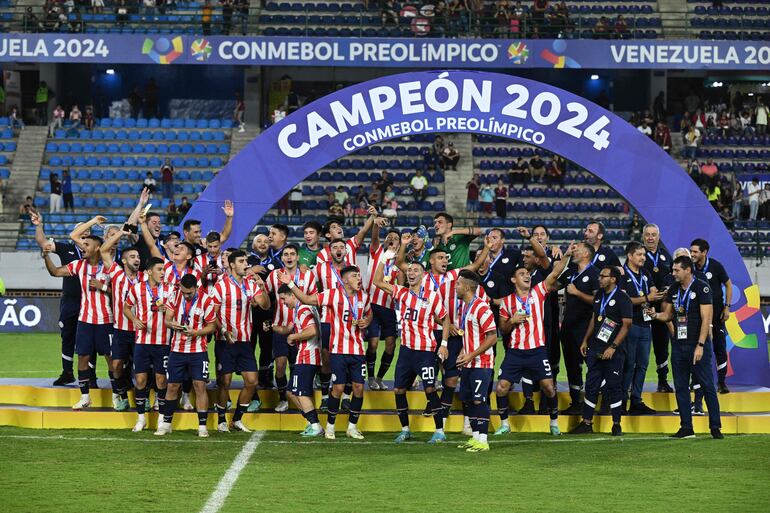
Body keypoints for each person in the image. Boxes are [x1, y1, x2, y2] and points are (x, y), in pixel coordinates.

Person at [281, 265, 372, 440]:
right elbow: (307, 299)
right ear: (345, 280)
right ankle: (330, 426)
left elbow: (369, 314)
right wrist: (291, 284)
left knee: (359, 388)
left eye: (359, 276)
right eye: (355, 276)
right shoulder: (333, 294)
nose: (359, 279)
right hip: (338, 350)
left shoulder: (364, 297)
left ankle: (352, 427)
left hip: (358, 350)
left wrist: (367, 321)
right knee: (337, 388)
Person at [495, 245, 573, 438]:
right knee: (501, 387)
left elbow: (555, 273)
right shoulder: (507, 303)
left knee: (548, 387)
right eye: (522, 273)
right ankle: (504, 424)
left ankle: (554, 423)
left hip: (537, 351)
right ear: (514, 280)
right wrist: (511, 321)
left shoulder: (538, 292)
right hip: (515, 352)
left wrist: (567, 256)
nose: (527, 275)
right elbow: (502, 329)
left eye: (527, 273)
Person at [372, 252, 449, 443]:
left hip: (425, 351)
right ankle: (405, 429)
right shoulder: (401, 292)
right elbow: (377, 281)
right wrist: (383, 260)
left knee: (430, 389)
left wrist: (444, 344)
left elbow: (445, 319)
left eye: (415, 270)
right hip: (406, 351)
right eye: (409, 270)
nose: (411, 272)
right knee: (398, 390)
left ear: (422, 275)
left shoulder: (432, 296)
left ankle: (440, 430)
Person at [648, 256, 723, 439]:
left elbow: (707, 319)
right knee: (681, 387)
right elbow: (668, 316)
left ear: (687, 270)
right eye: (673, 270)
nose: (673, 273)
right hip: (679, 345)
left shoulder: (702, 287)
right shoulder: (674, 289)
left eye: (676, 270)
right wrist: (655, 315)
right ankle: (686, 427)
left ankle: (715, 427)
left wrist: (700, 345)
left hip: (697, 345)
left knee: (706, 386)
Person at [42, 235, 113, 410]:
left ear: (97, 248)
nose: (82, 247)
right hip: (85, 320)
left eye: (87, 244)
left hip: (106, 320)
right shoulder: (79, 265)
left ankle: (117, 395)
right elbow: (56, 272)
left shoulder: (110, 267)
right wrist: (46, 256)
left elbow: (122, 291)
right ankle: (85, 396)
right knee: (82, 357)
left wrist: (102, 287)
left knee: (113, 361)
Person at [568, 266, 633, 436]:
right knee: (591, 385)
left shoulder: (622, 298)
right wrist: (585, 340)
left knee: (614, 386)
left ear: (613, 279)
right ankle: (587, 422)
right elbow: (593, 319)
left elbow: (626, 325)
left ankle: (616, 424)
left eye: (604, 276)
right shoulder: (598, 296)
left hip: (613, 350)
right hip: (595, 348)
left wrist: (613, 347)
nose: (599, 278)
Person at [211, 250, 270, 432]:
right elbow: (212, 313)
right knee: (225, 382)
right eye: (242, 261)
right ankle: (221, 419)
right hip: (225, 341)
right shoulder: (221, 285)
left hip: (244, 341)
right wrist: (223, 330)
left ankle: (236, 419)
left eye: (246, 261)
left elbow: (265, 305)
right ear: (231, 265)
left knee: (252, 381)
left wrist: (262, 287)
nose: (246, 264)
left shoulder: (251, 284)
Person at [157, 273, 217, 437]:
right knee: (172, 386)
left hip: (198, 351)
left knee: (199, 386)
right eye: (183, 292)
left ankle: (202, 426)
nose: (186, 295)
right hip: (176, 350)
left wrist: (196, 332)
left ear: (196, 288)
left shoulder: (206, 300)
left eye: (189, 293)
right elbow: (167, 320)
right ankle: (166, 424)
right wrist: (173, 325)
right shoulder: (174, 296)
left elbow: (212, 326)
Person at [265, 244, 317, 412]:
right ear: (282, 258)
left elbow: (313, 298)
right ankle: (283, 398)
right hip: (281, 327)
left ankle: (296, 394)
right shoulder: (274, 275)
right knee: (280, 364)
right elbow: (265, 295)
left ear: (297, 257)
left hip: (302, 328)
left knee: (297, 365)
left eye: (292, 254)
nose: (289, 257)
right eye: (286, 254)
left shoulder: (307, 275)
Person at [449, 271, 497, 452]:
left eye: (458, 284)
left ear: (467, 287)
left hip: (481, 363)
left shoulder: (481, 308)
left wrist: (471, 354)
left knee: (479, 400)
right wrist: (464, 352)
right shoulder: (466, 307)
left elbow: (492, 337)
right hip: (469, 362)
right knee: (469, 400)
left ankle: (483, 441)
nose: (456, 287)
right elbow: (471, 335)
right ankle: (476, 437)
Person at [100, 227, 143, 413]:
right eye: (132, 256)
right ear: (124, 260)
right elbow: (103, 250)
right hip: (120, 331)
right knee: (116, 365)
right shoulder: (117, 274)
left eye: (138, 257)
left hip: (141, 331)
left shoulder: (146, 277)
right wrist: (120, 234)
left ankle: (144, 399)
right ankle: (123, 396)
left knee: (142, 368)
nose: (137, 259)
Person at [620, 241, 664, 414]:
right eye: (639, 255)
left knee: (643, 364)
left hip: (646, 324)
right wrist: (648, 298)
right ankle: (622, 400)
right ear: (630, 256)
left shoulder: (645, 273)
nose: (643, 258)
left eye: (644, 255)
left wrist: (655, 301)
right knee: (629, 364)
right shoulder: (622, 274)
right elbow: (625, 300)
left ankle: (636, 400)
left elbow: (653, 293)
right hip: (630, 324)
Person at [558, 241, 600, 414]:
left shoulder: (595, 274)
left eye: (577, 250)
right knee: (571, 365)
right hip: (568, 326)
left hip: (586, 328)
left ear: (586, 254)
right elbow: (552, 284)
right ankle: (576, 402)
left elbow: (598, 302)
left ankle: (596, 401)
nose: (574, 252)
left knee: (592, 364)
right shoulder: (570, 272)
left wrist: (577, 293)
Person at [690, 239, 732, 394]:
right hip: (697, 317)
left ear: (704, 252)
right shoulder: (690, 268)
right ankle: (695, 382)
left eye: (695, 252)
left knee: (720, 348)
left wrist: (727, 307)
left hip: (717, 316)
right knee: (695, 348)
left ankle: (721, 382)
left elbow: (728, 284)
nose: (692, 254)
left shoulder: (715, 266)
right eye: (691, 251)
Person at [364, 228, 400, 391]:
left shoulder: (399, 264)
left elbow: (399, 287)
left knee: (391, 345)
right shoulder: (377, 252)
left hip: (389, 308)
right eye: (389, 237)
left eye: (395, 238)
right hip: (371, 305)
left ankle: (380, 378)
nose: (392, 239)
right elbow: (374, 236)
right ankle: (370, 377)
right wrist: (376, 224)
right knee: (373, 343)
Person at [642, 223, 674, 392]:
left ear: (658, 237)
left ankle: (663, 380)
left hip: (662, 309)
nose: (650, 238)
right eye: (647, 234)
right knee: (641, 347)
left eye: (653, 234)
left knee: (662, 346)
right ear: (643, 237)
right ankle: (634, 383)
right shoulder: (638, 255)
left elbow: (673, 276)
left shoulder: (666, 256)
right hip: (644, 307)